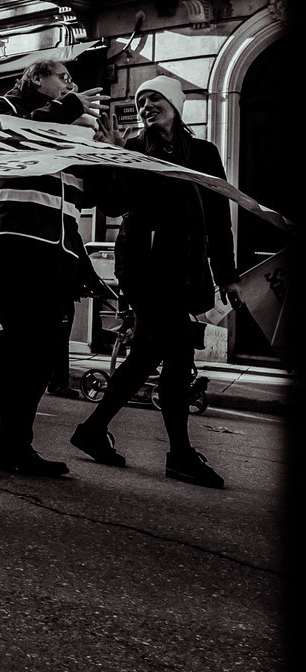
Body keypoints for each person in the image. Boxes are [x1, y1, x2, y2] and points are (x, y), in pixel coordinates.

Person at [70, 75, 239, 487]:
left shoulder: (203, 152)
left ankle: (92, 430)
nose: (146, 105)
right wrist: (110, 159)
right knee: (179, 352)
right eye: (141, 100)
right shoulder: (132, 149)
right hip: (144, 267)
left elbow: (218, 217)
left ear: (175, 104)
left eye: (154, 98)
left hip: (186, 267)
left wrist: (227, 274)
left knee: (148, 353)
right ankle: (179, 454)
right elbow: (112, 204)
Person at [0, 59, 108, 477]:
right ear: (37, 77)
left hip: (60, 257)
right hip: (13, 247)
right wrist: (70, 108)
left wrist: (104, 152)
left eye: (73, 83)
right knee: (19, 341)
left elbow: (89, 195)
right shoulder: (7, 106)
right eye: (64, 78)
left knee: (42, 355)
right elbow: (16, 136)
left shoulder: (71, 127)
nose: (70, 86)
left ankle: (15, 444)